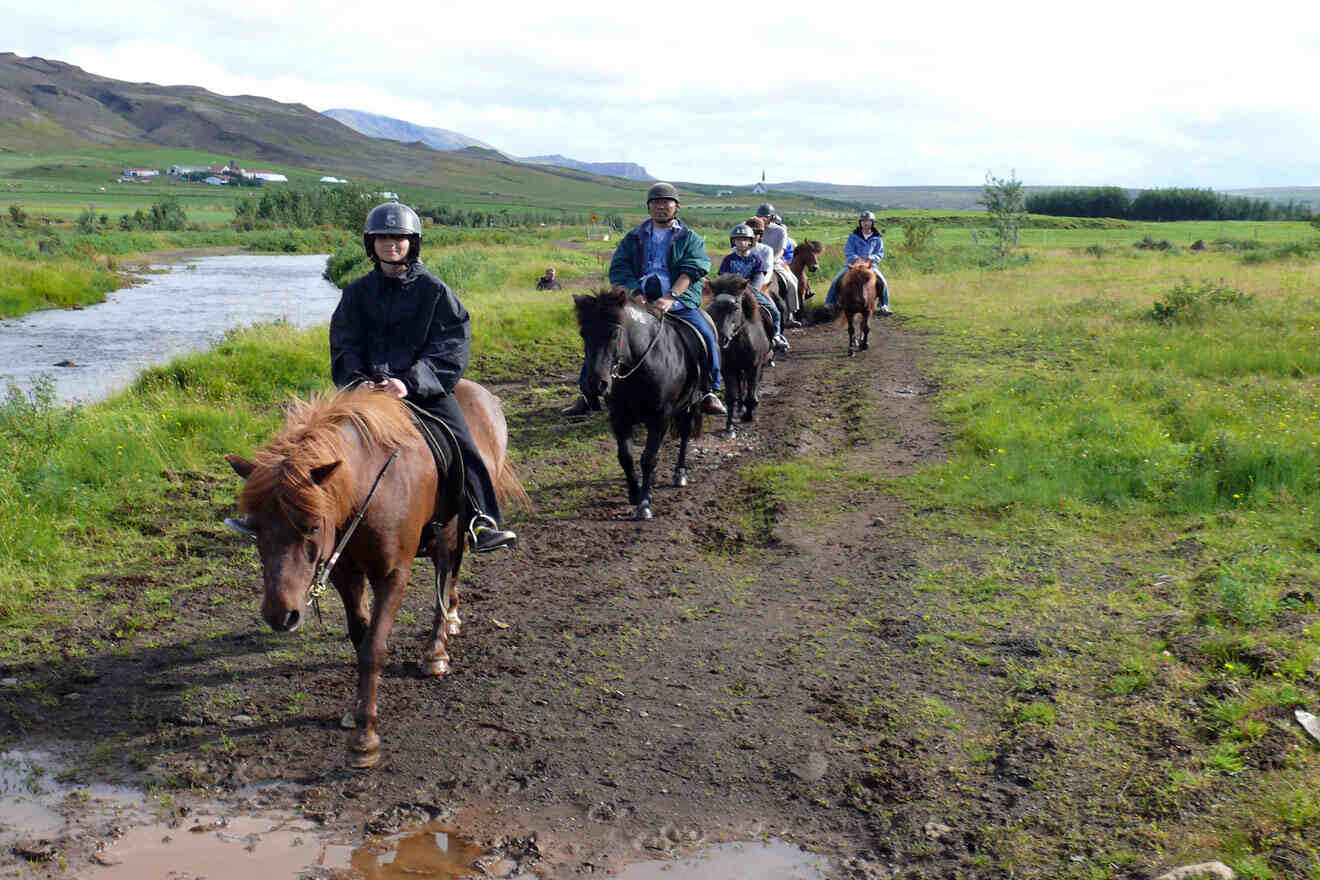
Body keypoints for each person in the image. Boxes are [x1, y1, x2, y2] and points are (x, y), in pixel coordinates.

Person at [329, 201, 517, 553]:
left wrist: (409, 382)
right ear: (371, 243)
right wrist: (357, 381)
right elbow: (344, 343)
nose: (391, 244)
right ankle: (287, 511)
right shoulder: (355, 293)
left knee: (463, 445)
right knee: (312, 437)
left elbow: (451, 345)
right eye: (383, 238)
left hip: (422, 389)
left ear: (412, 243)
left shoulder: (435, 292)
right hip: (365, 390)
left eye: (399, 238)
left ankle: (481, 518)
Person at [562, 183, 726, 417]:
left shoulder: (690, 239)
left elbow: (693, 269)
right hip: (638, 300)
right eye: (655, 203)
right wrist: (636, 295)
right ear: (649, 207)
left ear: (676, 207)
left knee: (706, 335)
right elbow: (620, 268)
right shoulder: (633, 237)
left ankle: (709, 391)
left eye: (665, 202)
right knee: (602, 334)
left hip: (679, 301)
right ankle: (587, 394)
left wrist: (671, 297)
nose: (660, 206)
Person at [718, 223, 789, 352]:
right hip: (732, 293)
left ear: (751, 242)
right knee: (715, 309)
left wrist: (751, 289)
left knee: (774, 312)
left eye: (745, 239)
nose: (741, 243)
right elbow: (723, 276)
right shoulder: (728, 259)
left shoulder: (756, 259)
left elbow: (759, 276)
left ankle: (776, 336)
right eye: (738, 239)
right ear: (733, 241)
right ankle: (715, 334)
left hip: (751, 291)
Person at [824, 210, 892, 316]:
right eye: (863, 221)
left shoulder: (877, 238)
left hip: (870, 265)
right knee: (836, 280)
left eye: (868, 221)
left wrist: (872, 258)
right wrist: (856, 259)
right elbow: (848, 251)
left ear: (872, 222)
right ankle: (829, 303)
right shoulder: (853, 236)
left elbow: (880, 253)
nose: (865, 223)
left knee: (883, 282)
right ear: (860, 223)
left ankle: (884, 305)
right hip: (853, 265)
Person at [755, 205, 801, 325]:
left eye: (765, 217)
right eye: (760, 217)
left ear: (771, 217)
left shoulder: (780, 230)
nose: (762, 220)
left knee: (792, 282)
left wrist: (772, 260)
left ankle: (790, 314)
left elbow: (781, 250)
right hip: (755, 262)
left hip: (775, 261)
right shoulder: (754, 228)